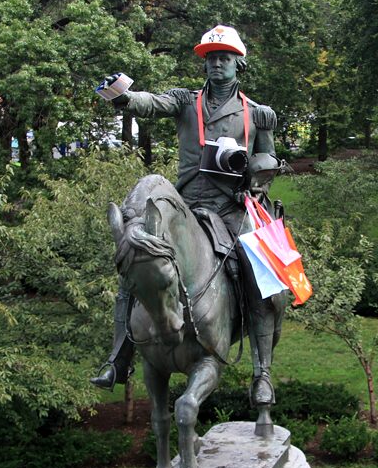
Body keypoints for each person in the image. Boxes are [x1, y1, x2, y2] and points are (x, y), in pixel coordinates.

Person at [91, 25, 285, 408]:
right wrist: (123, 97)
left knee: (261, 273)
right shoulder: (185, 100)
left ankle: (262, 372)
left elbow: (269, 162)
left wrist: (254, 169)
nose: (216, 64)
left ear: (238, 64)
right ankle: (118, 357)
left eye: (224, 59)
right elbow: (150, 103)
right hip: (187, 205)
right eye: (211, 59)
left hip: (231, 206)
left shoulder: (258, 114)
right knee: (137, 258)